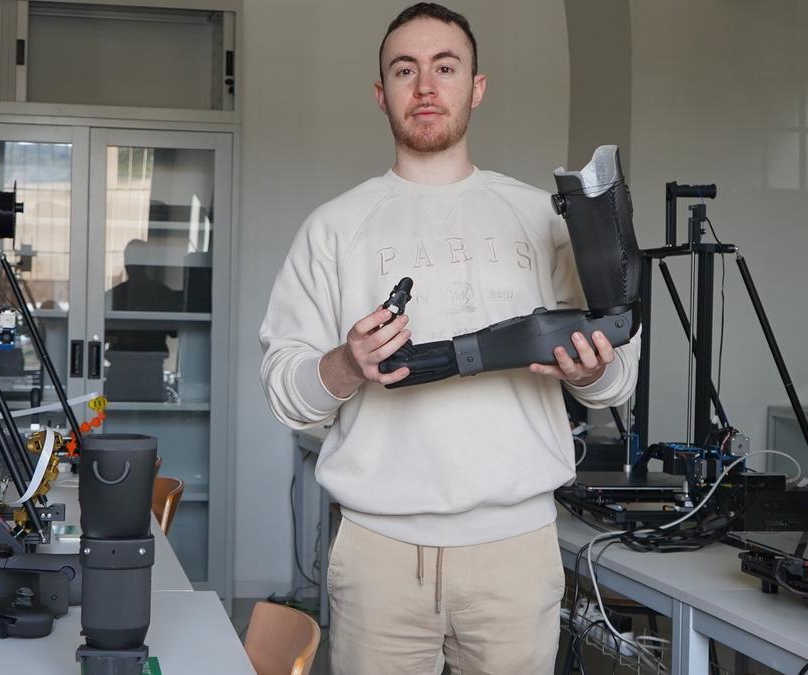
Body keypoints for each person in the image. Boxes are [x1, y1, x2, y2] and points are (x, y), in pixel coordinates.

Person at [259, 4, 641, 673]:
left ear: (476, 86)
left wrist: (588, 374)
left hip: (515, 555)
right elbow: (286, 390)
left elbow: (620, 373)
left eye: (445, 67)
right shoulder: (335, 227)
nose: (426, 86)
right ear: (382, 95)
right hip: (377, 557)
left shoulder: (540, 217)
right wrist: (347, 364)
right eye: (405, 71)